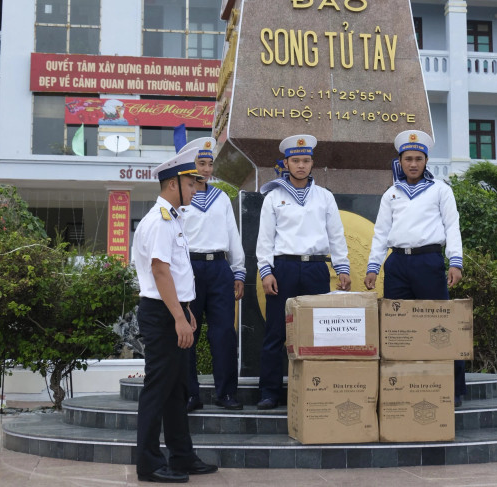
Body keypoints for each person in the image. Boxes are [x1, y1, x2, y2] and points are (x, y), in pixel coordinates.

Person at [131, 146, 218, 483]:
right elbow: (160, 271)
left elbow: (177, 275)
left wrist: (187, 309)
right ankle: (149, 463)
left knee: (177, 389)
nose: (196, 189)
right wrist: (179, 317)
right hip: (161, 314)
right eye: (191, 183)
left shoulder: (174, 219)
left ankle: (181, 456)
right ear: (173, 184)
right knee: (158, 388)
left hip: (174, 309)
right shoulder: (160, 221)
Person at [363, 130, 467, 405]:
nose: (413, 164)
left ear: (426, 161)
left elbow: (452, 226)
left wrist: (455, 261)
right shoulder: (391, 194)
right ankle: (403, 384)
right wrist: (373, 266)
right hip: (397, 263)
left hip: (428, 261)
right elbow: (381, 233)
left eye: (418, 159)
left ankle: (453, 388)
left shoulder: (441, 190)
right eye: (408, 159)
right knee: (399, 328)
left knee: (440, 325)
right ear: (400, 160)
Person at [255, 134, 351, 409]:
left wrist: (342, 267)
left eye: (306, 160)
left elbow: (336, 235)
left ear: (312, 164)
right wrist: (266, 271)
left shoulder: (324, 197)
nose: (301, 165)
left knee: (318, 332)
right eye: (295, 160)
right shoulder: (273, 197)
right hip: (283, 268)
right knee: (276, 332)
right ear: (285, 163)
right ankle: (270, 392)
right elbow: (265, 239)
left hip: (315, 268)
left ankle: (316, 388)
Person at [180, 137, 246, 412]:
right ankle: (189, 394)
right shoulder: (180, 199)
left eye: (209, 164)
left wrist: (238, 270)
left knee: (224, 333)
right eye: (201, 163)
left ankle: (226, 393)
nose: (206, 169)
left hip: (219, 268)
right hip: (189, 268)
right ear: (190, 165)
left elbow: (232, 234)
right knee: (187, 333)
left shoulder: (221, 198)